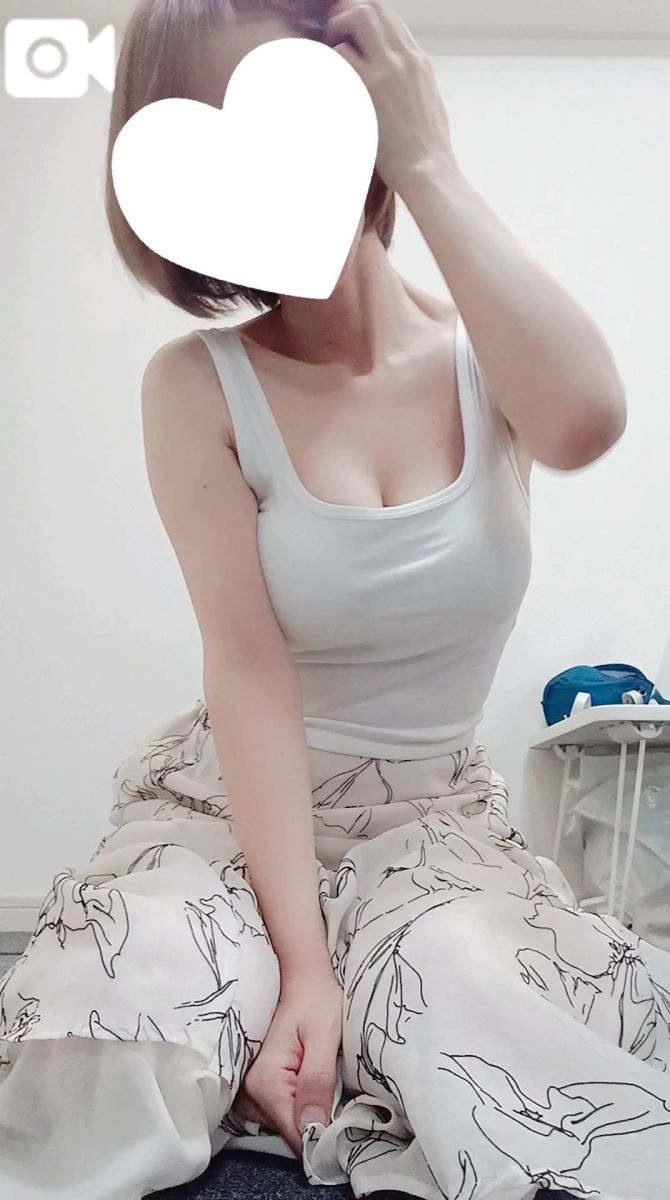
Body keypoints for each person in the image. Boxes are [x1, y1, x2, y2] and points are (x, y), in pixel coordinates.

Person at [1, 2, 669, 1198]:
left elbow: (586, 421)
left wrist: (427, 158)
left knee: (482, 1009)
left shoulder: (489, 357)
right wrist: (302, 968)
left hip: (433, 821)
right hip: (231, 805)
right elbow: (247, 670)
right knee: (122, 985)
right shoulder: (195, 384)